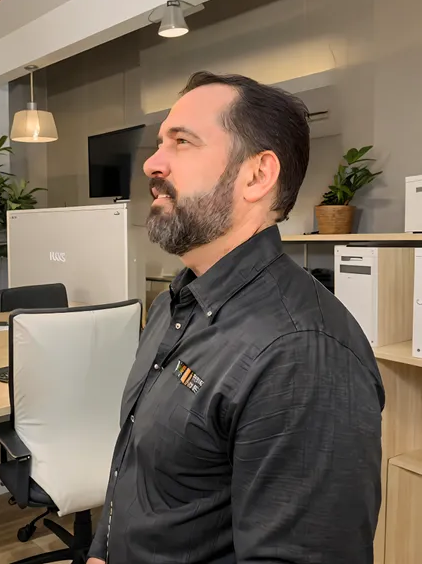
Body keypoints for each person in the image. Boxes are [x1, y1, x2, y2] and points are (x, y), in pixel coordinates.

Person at [87, 71, 384, 564]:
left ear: (256, 176)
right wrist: (102, 550)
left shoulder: (303, 355)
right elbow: (138, 465)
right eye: (161, 142)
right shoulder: (172, 304)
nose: (152, 163)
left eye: (181, 142)